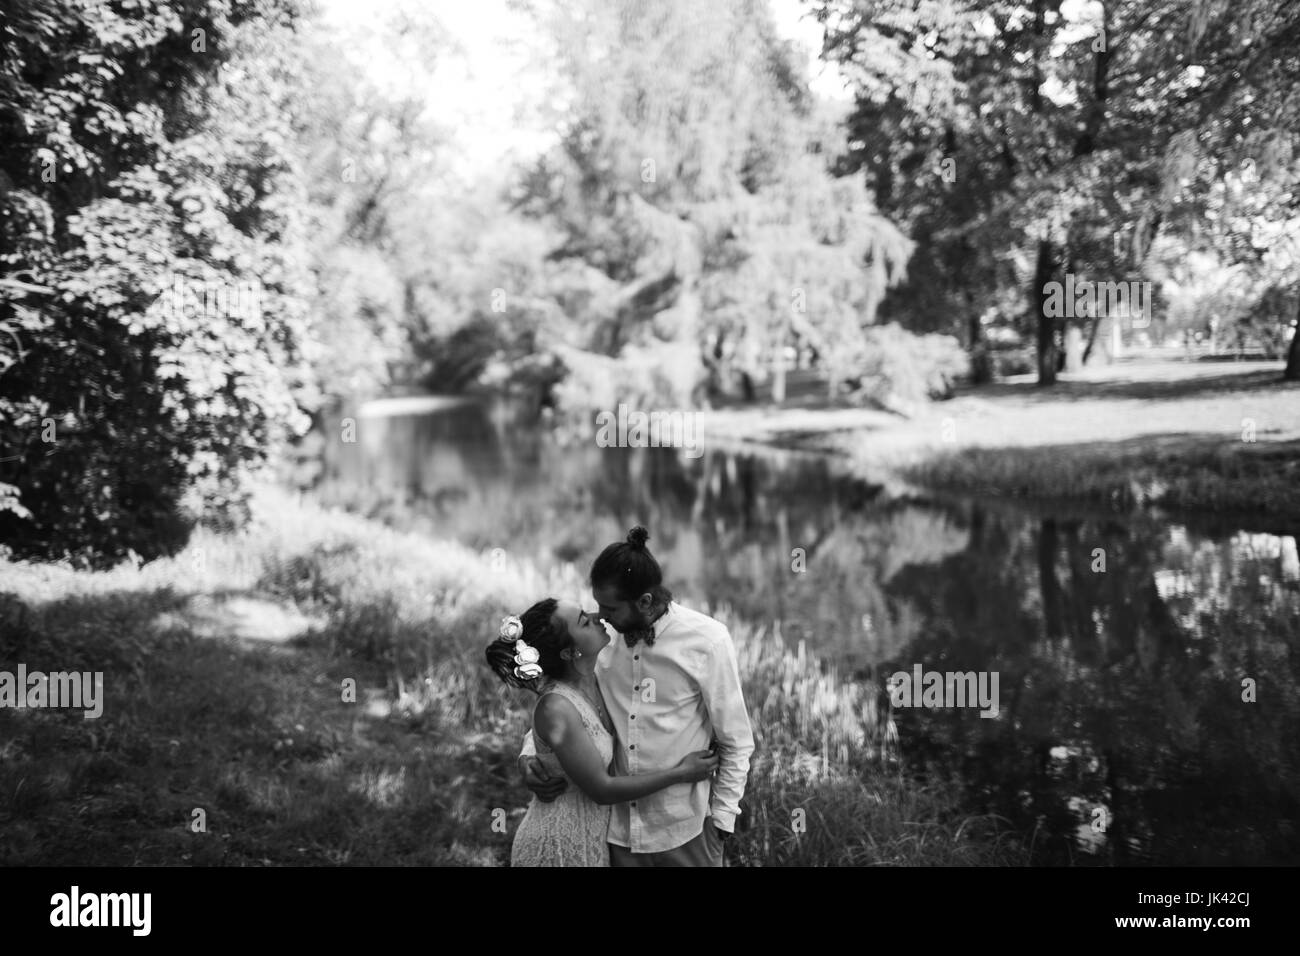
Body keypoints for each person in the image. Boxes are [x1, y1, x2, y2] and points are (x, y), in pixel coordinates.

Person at [520, 526, 756, 866]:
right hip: (616, 834)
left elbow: (735, 740)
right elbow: (566, 709)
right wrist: (529, 756)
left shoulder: (708, 642)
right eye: (597, 606)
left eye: (610, 608)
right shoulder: (598, 645)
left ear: (644, 601)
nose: (600, 616)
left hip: (684, 829)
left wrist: (721, 820)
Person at [486, 597, 718, 866]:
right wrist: (681, 773)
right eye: (584, 621)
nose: (598, 616)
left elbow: (551, 736)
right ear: (569, 652)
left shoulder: (600, 675)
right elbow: (601, 789)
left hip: (595, 838)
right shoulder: (556, 705)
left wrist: (528, 755)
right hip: (557, 844)